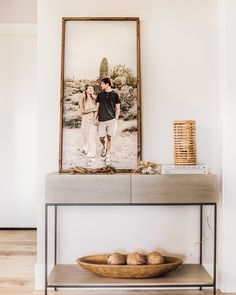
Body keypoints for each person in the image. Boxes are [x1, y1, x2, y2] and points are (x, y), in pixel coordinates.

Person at [94, 77, 121, 165]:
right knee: (101, 138)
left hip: (111, 120)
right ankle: (104, 146)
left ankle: (108, 155)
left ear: (107, 84)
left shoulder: (115, 94)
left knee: (109, 137)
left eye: (102, 84)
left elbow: (118, 108)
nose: (100, 85)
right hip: (101, 120)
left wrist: (116, 120)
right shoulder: (100, 94)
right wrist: (95, 118)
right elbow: (97, 107)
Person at [80, 85, 97, 166]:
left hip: (93, 120)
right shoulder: (82, 100)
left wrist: (96, 119)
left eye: (92, 88)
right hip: (85, 120)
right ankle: (85, 148)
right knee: (85, 136)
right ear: (86, 90)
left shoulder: (95, 99)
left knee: (92, 137)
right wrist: (92, 109)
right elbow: (82, 111)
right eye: (90, 88)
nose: (91, 89)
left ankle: (91, 155)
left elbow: (98, 109)